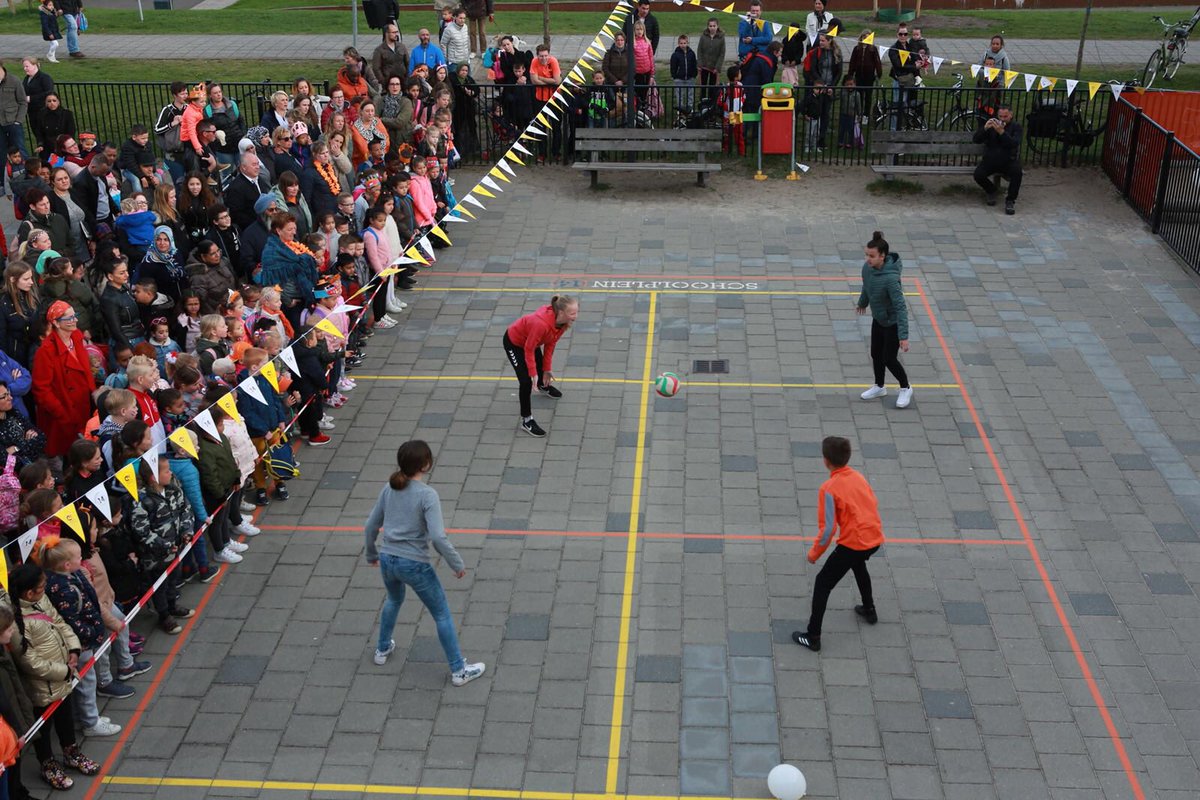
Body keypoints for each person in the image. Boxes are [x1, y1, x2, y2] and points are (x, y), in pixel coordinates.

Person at [365, 439, 486, 685]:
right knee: (441, 613)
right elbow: (438, 537)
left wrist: (371, 554)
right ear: (426, 465)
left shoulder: (389, 489)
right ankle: (458, 669)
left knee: (394, 600)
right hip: (415, 564)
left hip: (388, 559)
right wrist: (457, 564)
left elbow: (370, 526)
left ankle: (382, 648)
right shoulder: (427, 495)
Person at [8, 562, 100, 791]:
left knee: (65, 719)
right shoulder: (15, 621)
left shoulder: (41, 600)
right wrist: (64, 671)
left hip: (62, 678)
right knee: (43, 729)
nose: (46, 586)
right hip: (42, 688)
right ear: (29, 593)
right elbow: (29, 661)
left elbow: (60, 622)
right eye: (42, 585)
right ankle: (48, 764)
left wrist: (73, 650)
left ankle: (71, 752)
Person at [791, 436, 885, 652]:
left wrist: (814, 553)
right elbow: (872, 502)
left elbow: (828, 530)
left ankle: (813, 636)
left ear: (826, 461)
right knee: (859, 565)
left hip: (854, 542)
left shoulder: (829, 488)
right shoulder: (858, 477)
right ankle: (869, 609)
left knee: (823, 583)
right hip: (874, 537)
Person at [503, 295, 577, 438]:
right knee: (525, 382)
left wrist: (546, 369)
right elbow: (528, 349)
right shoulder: (541, 324)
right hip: (515, 343)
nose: (576, 316)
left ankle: (543, 386)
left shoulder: (562, 323)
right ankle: (527, 420)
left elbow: (551, 343)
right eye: (573, 313)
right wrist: (533, 373)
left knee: (541, 369)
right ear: (561, 313)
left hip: (532, 341)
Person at [32, 300, 95, 458]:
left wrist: (93, 392)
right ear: (56, 323)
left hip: (83, 405)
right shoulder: (45, 351)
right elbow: (41, 390)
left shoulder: (76, 337)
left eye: (75, 315)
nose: (75, 320)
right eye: (69, 318)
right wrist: (61, 413)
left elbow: (85, 370)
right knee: (67, 455)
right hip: (63, 414)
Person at [856, 230, 911, 409]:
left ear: (882, 256)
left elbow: (901, 307)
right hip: (878, 319)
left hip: (892, 323)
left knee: (889, 358)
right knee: (876, 354)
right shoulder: (868, 268)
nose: (867, 259)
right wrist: (862, 302)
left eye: (871, 256)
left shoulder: (891, 279)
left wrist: (903, 336)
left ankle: (905, 387)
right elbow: (867, 286)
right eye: (866, 255)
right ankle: (879, 386)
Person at [973, 103, 1022, 215]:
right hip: (990, 160)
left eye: (1005, 117)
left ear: (1011, 115)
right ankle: (991, 190)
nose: (1002, 119)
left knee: (1017, 173)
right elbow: (976, 139)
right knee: (978, 175)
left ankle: (1010, 200)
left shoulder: (1016, 127)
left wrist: (1002, 132)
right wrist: (984, 128)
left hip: (1008, 160)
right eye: (1000, 116)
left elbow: (1013, 144)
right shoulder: (992, 125)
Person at [0, 64, 29, 195]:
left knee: (20, 150)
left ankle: (28, 178)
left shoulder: (14, 80)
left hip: (13, 122)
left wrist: (18, 121)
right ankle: (3, 183)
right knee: (1, 153)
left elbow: (23, 101)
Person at [848, 29, 882, 107]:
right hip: (858, 76)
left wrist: (879, 73)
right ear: (861, 38)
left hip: (869, 77)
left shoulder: (873, 49)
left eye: (868, 37)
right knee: (859, 96)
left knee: (868, 96)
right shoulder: (857, 49)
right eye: (864, 37)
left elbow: (877, 62)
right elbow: (852, 62)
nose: (865, 39)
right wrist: (850, 74)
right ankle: (858, 113)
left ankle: (866, 115)